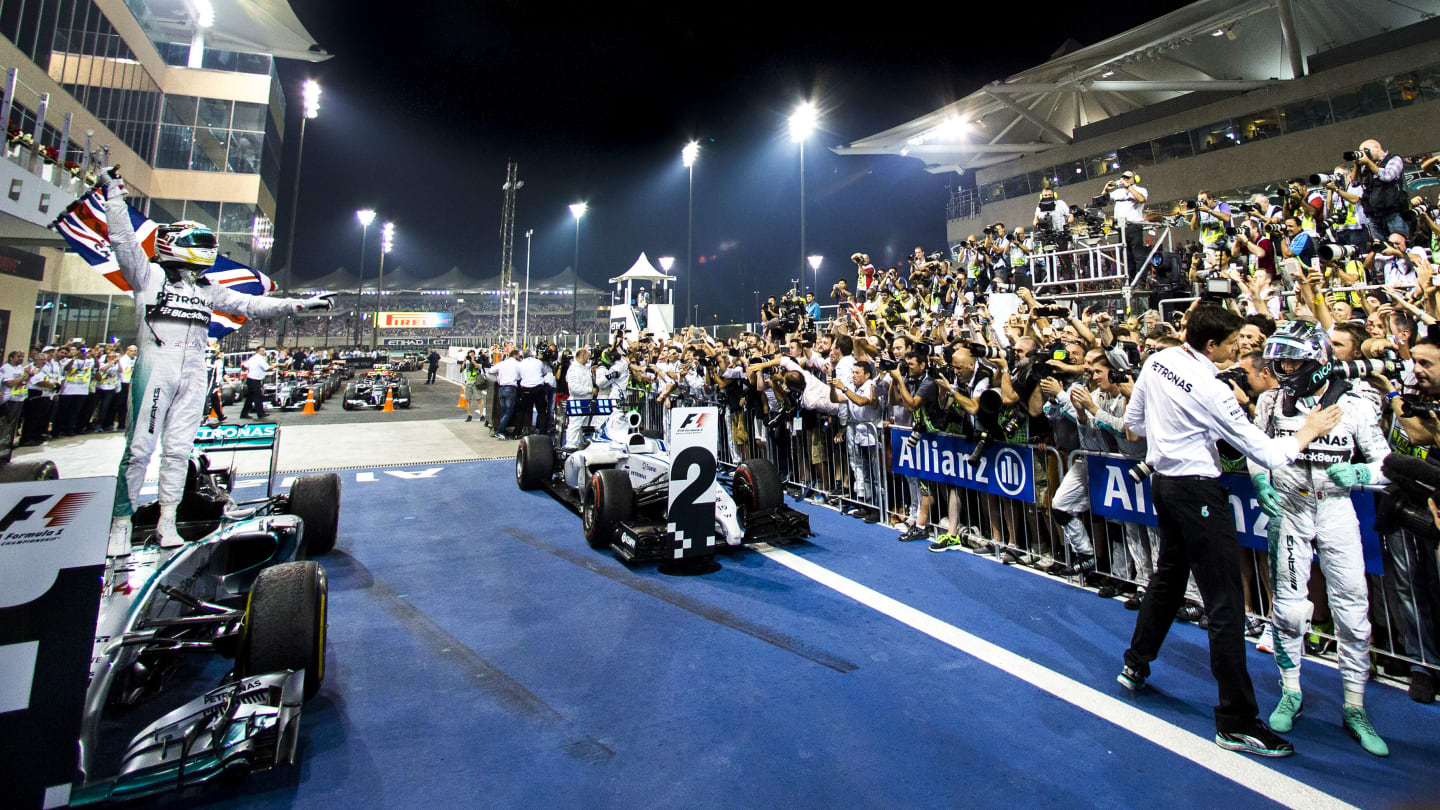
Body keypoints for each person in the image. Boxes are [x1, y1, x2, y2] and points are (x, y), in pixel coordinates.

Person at [1117, 304, 1342, 758]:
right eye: (1235, 342)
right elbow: (1271, 454)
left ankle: (1135, 664)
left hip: (1165, 486)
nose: (1242, 348)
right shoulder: (1212, 389)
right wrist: (1310, 429)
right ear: (1212, 344)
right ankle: (1236, 721)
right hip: (1199, 491)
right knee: (1225, 604)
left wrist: (1180, 431)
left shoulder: (1157, 361)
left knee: (1168, 579)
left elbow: (1134, 425)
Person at [98, 169, 331, 547]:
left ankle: (167, 520)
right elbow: (123, 239)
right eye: (199, 242)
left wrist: (300, 303)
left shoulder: (208, 289)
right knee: (139, 448)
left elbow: (252, 304)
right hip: (156, 365)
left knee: (178, 450)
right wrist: (113, 197)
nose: (206, 249)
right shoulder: (147, 277)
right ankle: (120, 524)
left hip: (193, 367)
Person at [1247, 322, 1390, 757]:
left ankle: (1354, 705)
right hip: (1290, 507)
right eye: (1280, 361)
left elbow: (1386, 462)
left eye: (1293, 361)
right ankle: (1291, 689)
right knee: (1288, 610)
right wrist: (1260, 481)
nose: (1283, 368)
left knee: (1352, 608)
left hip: (1336, 508)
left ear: (1317, 359)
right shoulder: (1270, 401)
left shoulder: (1355, 403)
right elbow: (1256, 448)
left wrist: (1364, 473)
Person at [1106, 171, 1148, 280]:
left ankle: (1141, 281)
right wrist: (1106, 189)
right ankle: (1131, 280)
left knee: (1138, 255)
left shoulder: (1140, 190)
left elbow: (1141, 199)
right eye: (1123, 177)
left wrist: (1129, 187)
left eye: (1128, 178)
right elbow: (1102, 201)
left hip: (1134, 225)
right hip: (1121, 227)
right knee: (1126, 256)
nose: (1125, 179)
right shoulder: (1117, 192)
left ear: (1134, 179)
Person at [490, 348, 521, 440]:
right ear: (515, 355)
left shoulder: (502, 363)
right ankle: (499, 431)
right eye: (519, 356)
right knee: (508, 412)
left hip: (501, 388)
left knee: (503, 411)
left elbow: (490, 371)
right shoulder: (518, 365)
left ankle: (501, 430)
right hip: (511, 388)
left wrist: (499, 376)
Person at [239, 346, 270, 420]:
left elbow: (246, 366)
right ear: (258, 351)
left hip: (250, 379)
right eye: (262, 351)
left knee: (250, 398)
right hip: (255, 379)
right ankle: (260, 413)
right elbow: (267, 368)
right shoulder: (260, 359)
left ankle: (244, 413)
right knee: (258, 397)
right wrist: (276, 365)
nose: (264, 352)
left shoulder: (252, 358)